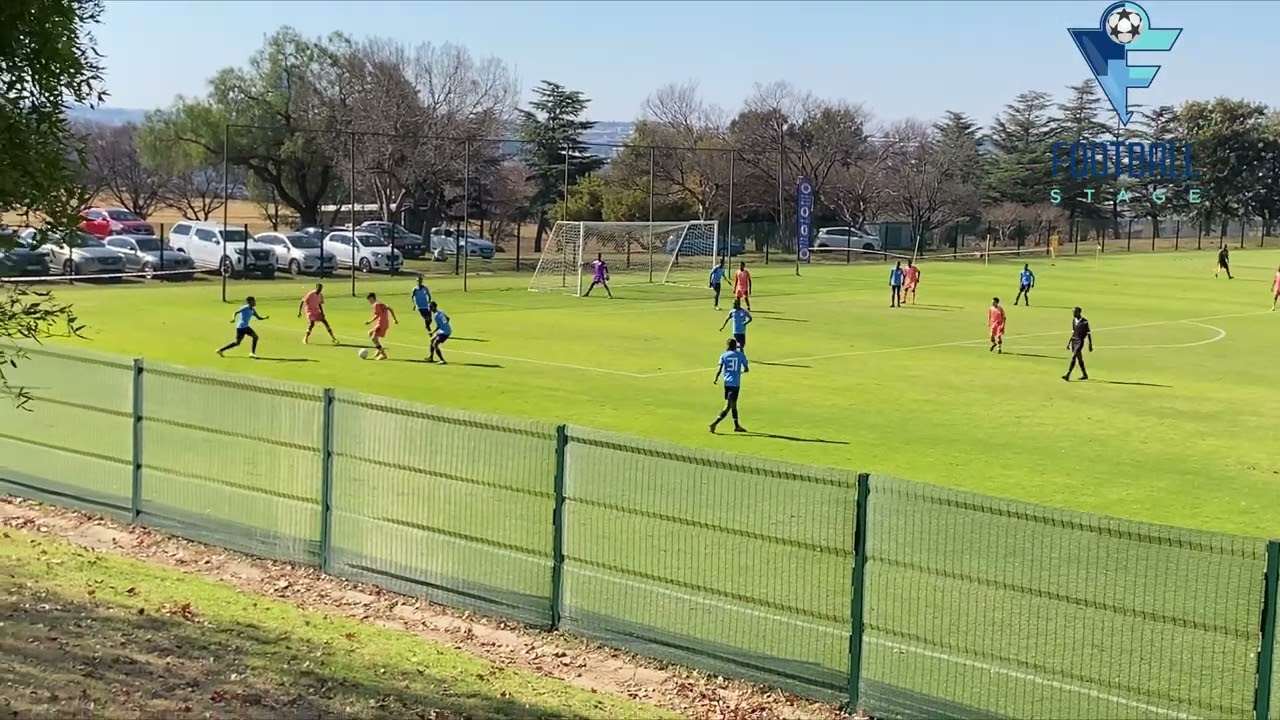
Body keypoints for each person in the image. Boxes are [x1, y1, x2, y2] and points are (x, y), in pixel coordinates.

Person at [710, 337, 748, 434]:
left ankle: (736, 426)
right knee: (728, 406)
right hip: (735, 384)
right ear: (735, 346)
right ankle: (714, 424)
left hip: (727, 383)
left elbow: (719, 369)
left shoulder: (724, 355)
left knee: (733, 405)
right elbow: (746, 368)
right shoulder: (740, 355)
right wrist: (742, 371)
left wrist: (716, 378)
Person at [1063, 306, 1093, 381]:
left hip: (1080, 342)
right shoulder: (1074, 320)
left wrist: (1090, 344)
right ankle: (1085, 374)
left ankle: (1068, 374)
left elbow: (1088, 333)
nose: (1073, 313)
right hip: (1074, 341)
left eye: (1074, 312)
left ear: (1079, 312)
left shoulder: (1084, 322)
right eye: (1073, 312)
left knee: (1074, 357)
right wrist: (1069, 342)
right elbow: (1073, 332)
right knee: (1079, 359)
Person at [365, 292, 397, 360]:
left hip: (381, 324)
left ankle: (383, 354)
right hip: (385, 324)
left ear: (372, 298)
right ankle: (379, 349)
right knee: (370, 333)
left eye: (369, 299)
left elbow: (377, 315)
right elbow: (390, 309)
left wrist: (370, 321)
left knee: (373, 338)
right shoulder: (381, 304)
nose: (369, 301)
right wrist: (394, 319)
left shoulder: (375, 305)